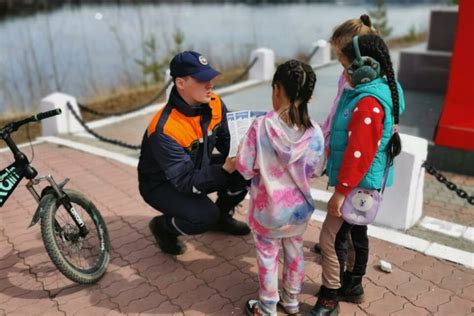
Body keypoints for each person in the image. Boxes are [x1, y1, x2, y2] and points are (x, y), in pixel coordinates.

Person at [308, 34, 405, 316]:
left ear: (365, 66)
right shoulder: (383, 92)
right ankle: (353, 285)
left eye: (346, 65)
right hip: (365, 185)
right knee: (356, 233)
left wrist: (340, 191)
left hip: (355, 185)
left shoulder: (367, 104)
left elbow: (358, 153)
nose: (344, 72)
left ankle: (330, 296)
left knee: (331, 239)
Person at [137, 51, 250, 256]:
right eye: (202, 79)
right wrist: (225, 169)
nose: (210, 84)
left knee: (245, 172)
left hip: (196, 167)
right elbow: (185, 182)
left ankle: (222, 219)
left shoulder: (214, 102)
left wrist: (247, 151)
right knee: (204, 217)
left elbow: (226, 142)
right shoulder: (165, 129)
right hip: (162, 184)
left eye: (210, 78)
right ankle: (164, 227)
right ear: (181, 83)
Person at [235, 60, 325, 316]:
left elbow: (244, 167)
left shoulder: (260, 127)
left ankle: (267, 307)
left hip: (268, 212)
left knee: (267, 256)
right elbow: (317, 169)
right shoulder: (315, 132)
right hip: (298, 211)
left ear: (277, 89)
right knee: (295, 252)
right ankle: (292, 301)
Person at [312, 12, 379, 298]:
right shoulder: (353, 76)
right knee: (353, 228)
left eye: (340, 56)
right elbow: (338, 109)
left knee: (344, 233)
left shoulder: (366, 93)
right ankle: (350, 279)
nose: (339, 63)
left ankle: (344, 285)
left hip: (357, 176)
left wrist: (341, 190)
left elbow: (361, 148)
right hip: (355, 170)